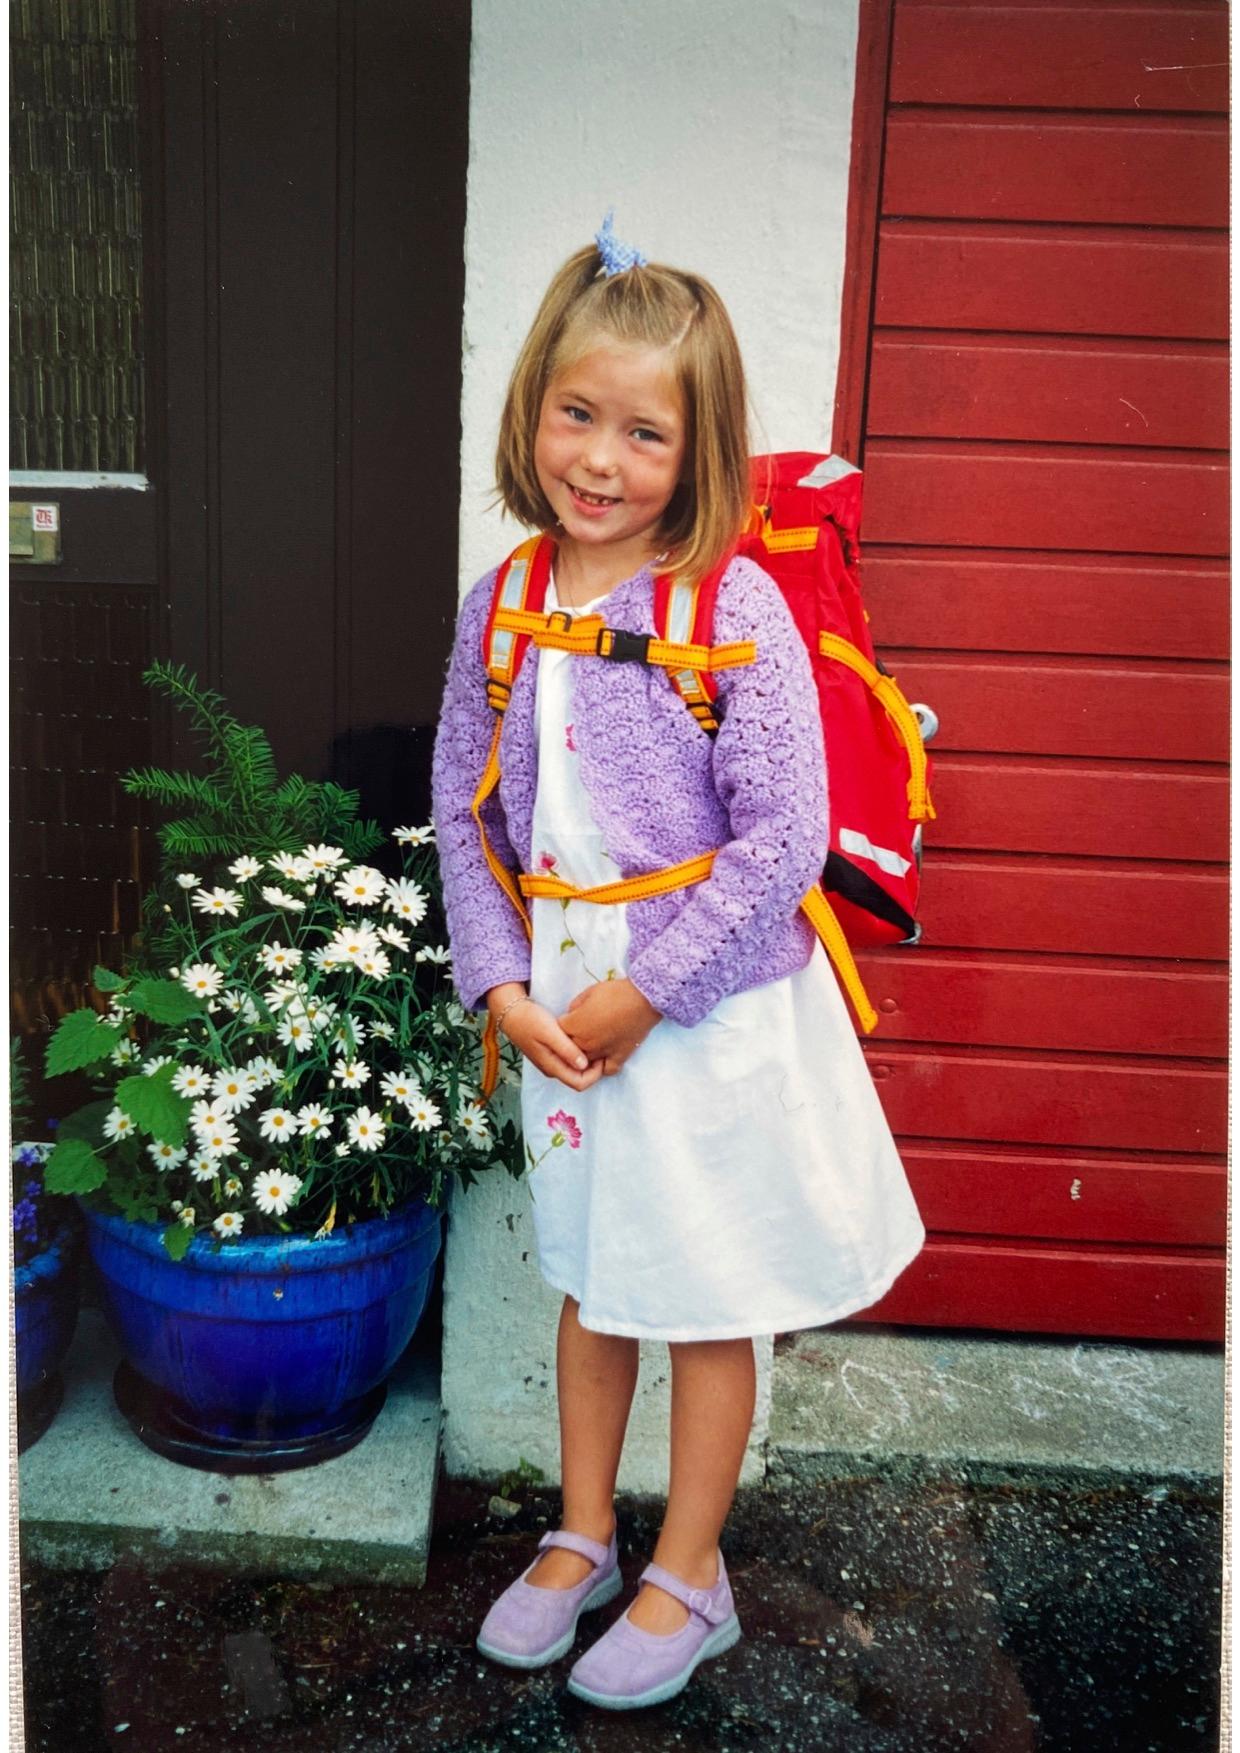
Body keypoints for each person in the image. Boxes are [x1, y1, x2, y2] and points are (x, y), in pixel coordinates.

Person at [430, 212, 927, 1711]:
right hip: (563, 1006)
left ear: (695, 453)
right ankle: (583, 1534)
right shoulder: (504, 604)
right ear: (532, 412)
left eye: (646, 432)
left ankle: (688, 1570)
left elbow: (788, 835)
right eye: (577, 414)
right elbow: (465, 810)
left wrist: (648, 988)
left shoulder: (735, 609)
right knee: (594, 1273)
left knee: (704, 1288)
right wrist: (499, 982)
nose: (601, 457)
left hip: (701, 1009)